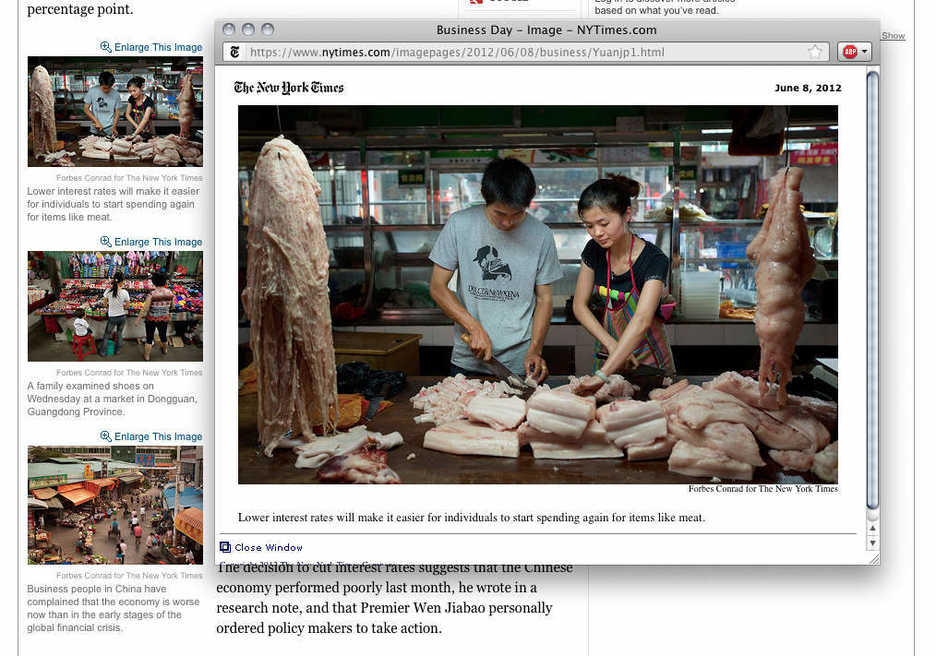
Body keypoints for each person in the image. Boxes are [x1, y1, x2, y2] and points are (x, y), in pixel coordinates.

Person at [429, 158, 562, 382]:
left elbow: (544, 300)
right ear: (485, 198)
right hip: (467, 360)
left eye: (517, 214)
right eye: (500, 214)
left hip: (520, 363)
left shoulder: (542, 235)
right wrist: (474, 328)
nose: (508, 223)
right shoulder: (459, 225)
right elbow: (437, 287)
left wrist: (535, 350)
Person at [572, 178, 675, 394]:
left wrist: (601, 375)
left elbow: (642, 320)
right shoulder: (593, 250)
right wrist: (612, 345)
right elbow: (579, 306)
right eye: (589, 226)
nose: (597, 232)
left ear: (627, 215)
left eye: (604, 223)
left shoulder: (653, 259)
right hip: (609, 356)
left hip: (649, 363)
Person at [134, 271, 174, 361]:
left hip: (151, 320)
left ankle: (147, 356)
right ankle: (165, 349)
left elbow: (145, 309)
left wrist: (138, 319)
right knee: (163, 336)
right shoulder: (170, 293)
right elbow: (173, 306)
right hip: (164, 319)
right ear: (165, 281)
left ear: (154, 282)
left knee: (149, 338)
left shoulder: (152, 295)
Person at [100, 271, 130, 356]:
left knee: (107, 334)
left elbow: (105, 304)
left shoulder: (108, 291)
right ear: (122, 281)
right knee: (119, 333)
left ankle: (102, 352)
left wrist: (112, 306)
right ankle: (117, 351)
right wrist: (120, 307)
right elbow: (127, 306)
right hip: (122, 317)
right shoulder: (125, 292)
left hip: (112, 317)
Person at [83, 71, 122, 137]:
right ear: (100, 84)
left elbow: (117, 112)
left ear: (112, 85)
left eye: (108, 88)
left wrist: (114, 127)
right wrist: (96, 121)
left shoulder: (116, 94)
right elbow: (86, 109)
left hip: (110, 130)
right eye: (104, 88)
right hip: (95, 128)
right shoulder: (92, 91)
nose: (106, 90)